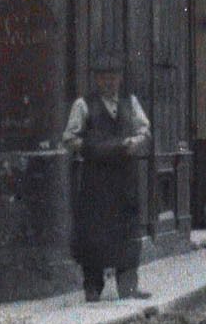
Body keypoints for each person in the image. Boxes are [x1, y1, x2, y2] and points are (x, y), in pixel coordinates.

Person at [62, 57, 152, 302]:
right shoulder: (83, 105)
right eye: (103, 78)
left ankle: (128, 287)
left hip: (125, 179)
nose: (108, 82)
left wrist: (135, 143)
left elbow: (144, 130)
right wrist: (93, 148)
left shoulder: (130, 103)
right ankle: (93, 287)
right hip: (96, 180)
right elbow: (69, 138)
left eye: (113, 77)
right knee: (93, 233)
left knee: (128, 231)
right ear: (96, 79)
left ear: (120, 78)